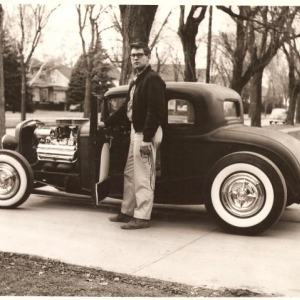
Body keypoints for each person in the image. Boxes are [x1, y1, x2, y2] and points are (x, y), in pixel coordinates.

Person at [103, 41, 166, 230]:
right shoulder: (136, 79)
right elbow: (126, 108)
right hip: (136, 132)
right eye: (133, 55)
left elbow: (155, 112)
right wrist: (106, 122)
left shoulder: (152, 79)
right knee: (130, 174)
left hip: (146, 133)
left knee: (143, 176)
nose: (136, 58)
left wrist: (147, 138)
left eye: (140, 54)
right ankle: (127, 211)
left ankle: (142, 217)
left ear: (148, 57)